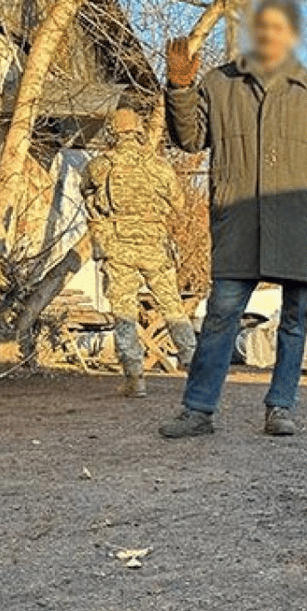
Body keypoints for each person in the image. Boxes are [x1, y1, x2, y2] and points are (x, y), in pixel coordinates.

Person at [161, 0, 307, 438]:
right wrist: (180, 89)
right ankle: (198, 410)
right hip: (239, 221)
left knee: (295, 319)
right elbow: (189, 139)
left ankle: (281, 406)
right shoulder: (219, 85)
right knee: (221, 316)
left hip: (298, 222)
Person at [80, 107, 197, 398]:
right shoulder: (159, 166)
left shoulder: (99, 165)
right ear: (140, 131)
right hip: (155, 245)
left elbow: (86, 191)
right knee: (172, 307)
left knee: (124, 311)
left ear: (112, 132)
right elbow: (179, 204)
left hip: (117, 246)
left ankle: (135, 378)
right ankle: (195, 369)